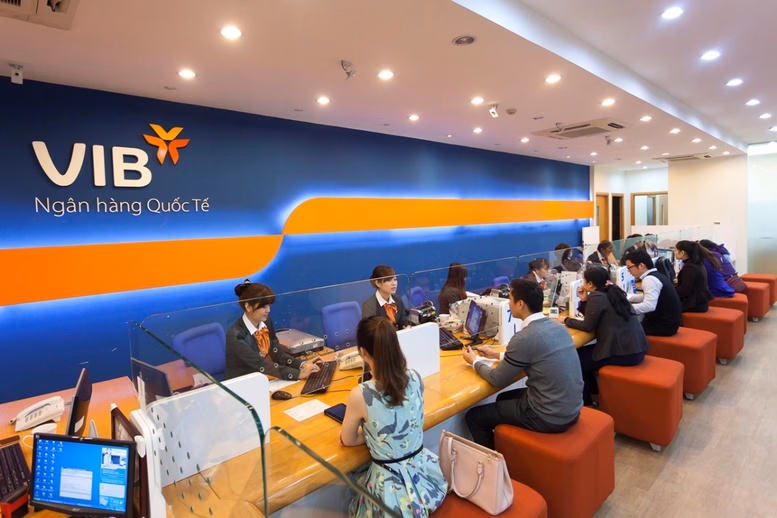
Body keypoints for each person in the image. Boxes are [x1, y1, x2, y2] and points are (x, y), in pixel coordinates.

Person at [340, 316, 447, 517]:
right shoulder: (415, 377)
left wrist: (374, 435)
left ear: (362, 352)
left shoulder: (360, 394)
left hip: (390, 494)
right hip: (424, 480)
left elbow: (348, 439)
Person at [463, 279, 583, 448]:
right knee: (503, 398)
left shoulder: (524, 337)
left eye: (510, 299)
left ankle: (495, 463)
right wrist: (496, 355)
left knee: (474, 417)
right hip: (571, 408)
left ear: (520, 304)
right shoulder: (557, 327)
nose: (508, 303)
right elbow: (533, 354)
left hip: (548, 416)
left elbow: (497, 379)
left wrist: (474, 361)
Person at [564, 266, 649, 405]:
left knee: (575, 360)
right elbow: (593, 317)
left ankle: (586, 403)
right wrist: (584, 300)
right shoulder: (613, 291)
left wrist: (566, 320)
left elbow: (588, 326)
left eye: (584, 281)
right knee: (582, 355)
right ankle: (594, 393)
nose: (582, 284)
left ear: (590, 284)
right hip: (635, 348)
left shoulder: (597, 296)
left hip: (623, 353)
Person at [225, 280, 320, 380]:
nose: (268, 310)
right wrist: (298, 374)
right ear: (248, 307)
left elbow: (278, 354)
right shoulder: (235, 335)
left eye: (269, 305)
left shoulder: (266, 322)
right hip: (240, 384)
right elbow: (261, 364)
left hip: (260, 378)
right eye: (263, 307)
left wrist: (302, 364)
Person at [623, 250, 682, 336]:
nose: (628, 271)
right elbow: (650, 296)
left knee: (623, 328)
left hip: (664, 326)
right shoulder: (657, 275)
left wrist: (625, 308)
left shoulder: (649, 279)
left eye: (629, 267)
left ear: (641, 265)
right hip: (671, 323)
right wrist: (630, 297)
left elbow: (649, 306)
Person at [674, 240, 713, 312]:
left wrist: (670, 290)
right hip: (700, 303)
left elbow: (684, 291)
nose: (674, 252)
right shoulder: (696, 264)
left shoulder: (690, 268)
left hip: (693, 305)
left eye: (675, 250)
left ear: (682, 253)